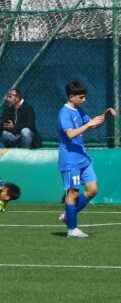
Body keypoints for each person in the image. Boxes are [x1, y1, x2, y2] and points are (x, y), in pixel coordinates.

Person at [57, 81, 117, 238]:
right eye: (81, 97)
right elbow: (70, 134)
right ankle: (72, 229)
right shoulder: (64, 113)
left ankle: (69, 216)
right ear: (71, 97)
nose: (84, 100)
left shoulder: (79, 110)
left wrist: (105, 115)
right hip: (70, 159)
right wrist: (89, 124)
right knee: (73, 192)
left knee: (93, 190)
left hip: (83, 157)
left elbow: (93, 125)